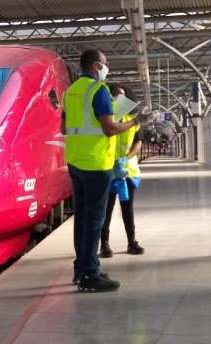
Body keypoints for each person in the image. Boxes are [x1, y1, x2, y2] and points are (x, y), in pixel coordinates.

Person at [61, 49, 139, 292]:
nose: (107, 68)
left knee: (82, 219)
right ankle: (90, 275)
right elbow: (109, 128)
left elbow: (64, 127)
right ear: (96, 65)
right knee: (95, 219)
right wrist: (135, 122)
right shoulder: (99, 91)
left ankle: (82, 268)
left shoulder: (69, 92)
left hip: (75, 161)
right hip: (96, 164)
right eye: (105, 64)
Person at [100, 84, 144, 258]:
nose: (119, 98)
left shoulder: (131, 118)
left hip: (127, 170)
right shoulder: (104, 118)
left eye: (122, 95)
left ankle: (132, 241)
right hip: (108, 170)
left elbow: (137, 143)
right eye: (116, 95)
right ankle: (104, 244)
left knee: (128, 208)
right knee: (106, 209)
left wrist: (126, 159)